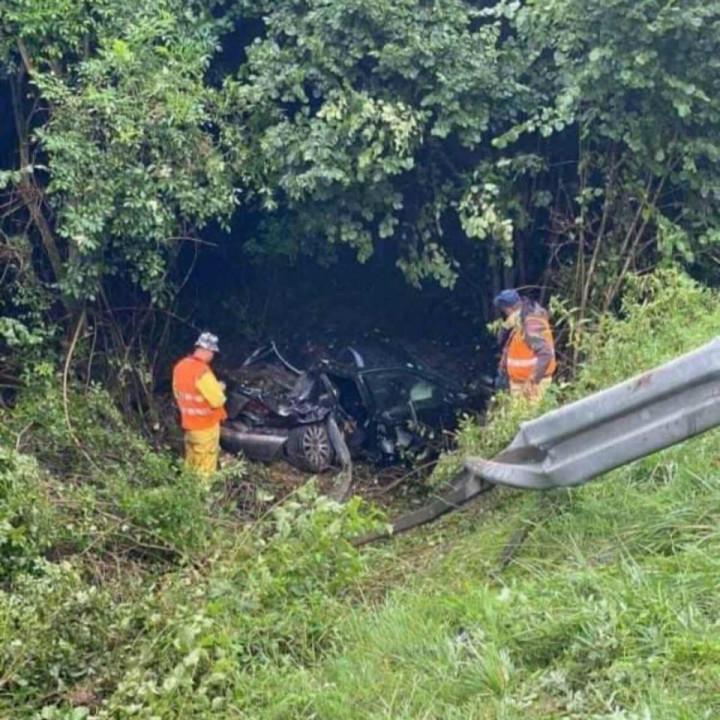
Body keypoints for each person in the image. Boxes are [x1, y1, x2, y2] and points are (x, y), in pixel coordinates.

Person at [172, 332, 227, 481]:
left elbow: (178, 394)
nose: (213, 356)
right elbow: (217, 400)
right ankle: (203, 499)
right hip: (206, 427)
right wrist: (219, 387)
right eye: (213, 353)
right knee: (205, 469)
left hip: (189, 426)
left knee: (191, 464)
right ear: (207, 350)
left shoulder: (180, 367)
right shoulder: (202, 371)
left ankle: (187, 495)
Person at [494, 289, 556, 403]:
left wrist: (532, 380)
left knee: (532, 419)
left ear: (508, 309)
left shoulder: (530, 324)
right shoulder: (522, 322)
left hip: (532, 387)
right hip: (521, 384)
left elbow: (545, 353)